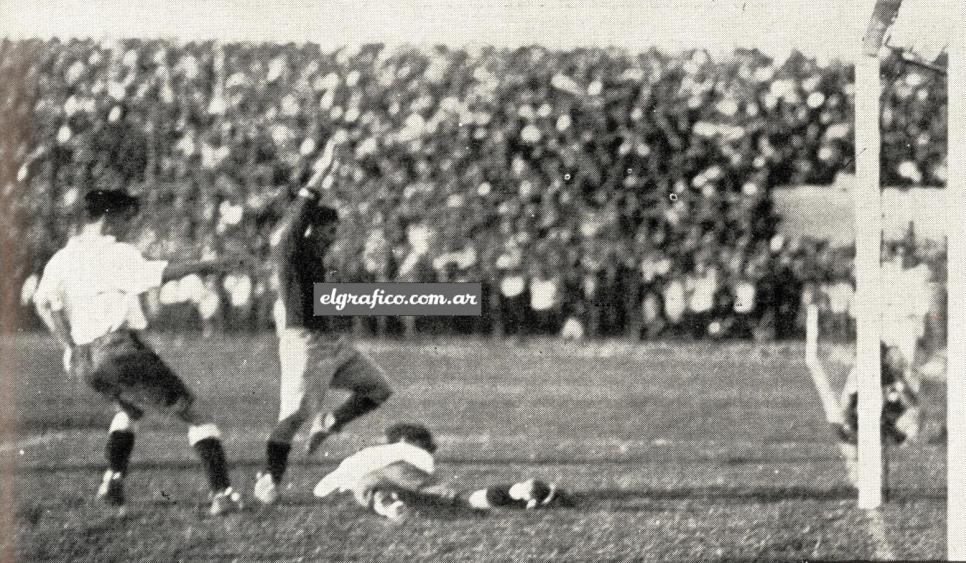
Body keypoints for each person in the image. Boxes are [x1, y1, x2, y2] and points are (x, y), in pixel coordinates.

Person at [33, 189, 243, 516]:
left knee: (130, 411)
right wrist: (210, 264)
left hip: (86, 361)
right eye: (126, 217)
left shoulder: (62, 257)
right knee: (197, 415)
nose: (130, 225)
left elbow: (43, 303)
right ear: (108, 217)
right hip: (118, 350)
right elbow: (158, 275)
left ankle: (113, 481)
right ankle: (223, 493)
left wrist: (69, 346)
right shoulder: (116, 252)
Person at [254, 152, 394, 505]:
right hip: (305, 345)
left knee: (378, 389)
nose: (331, 240)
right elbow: (300, 211)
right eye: (328, 232)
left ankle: (329, 422)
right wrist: (324, 170)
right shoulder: (290, 252)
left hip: (333, 343)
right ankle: (268, 479)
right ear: (309, 230)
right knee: (294, 416)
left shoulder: (314, 261)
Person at [314, 423, 566, 519]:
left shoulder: (363, 454)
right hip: (403, 471)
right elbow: (417, 476)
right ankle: (517, 490)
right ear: (408, 439)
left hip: (363, 479)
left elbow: (322, 490)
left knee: (370, 491)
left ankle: (387, 504)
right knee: (458, 498)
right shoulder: (416, 453)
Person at [836, 343, 923, 445]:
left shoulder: (892, 373)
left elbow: (911, 402)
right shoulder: (859, 372)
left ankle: (893, 433)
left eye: (882, 356)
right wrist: (848, 422)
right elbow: (848, 402)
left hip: (886, 416)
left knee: (907, 409)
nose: (880, 359)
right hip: (862, 416)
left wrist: (899, 386)